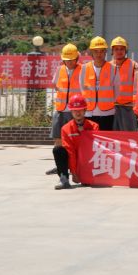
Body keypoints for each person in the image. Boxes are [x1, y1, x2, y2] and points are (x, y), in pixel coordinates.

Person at [48, 44, 84, 175]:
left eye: (72, 59)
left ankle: (74, 166)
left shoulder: (83, 70)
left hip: (74, 112)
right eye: (66, 59)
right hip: (60, 110)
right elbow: (55, 85)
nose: (69, 62)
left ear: (77, 58)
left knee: (74, 140)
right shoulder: (60, 70)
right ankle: (60, 166)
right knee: (58, 138)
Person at [52, 94, 98, 190]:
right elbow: (70, 151)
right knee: (58, 150)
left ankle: (87, 175)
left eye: (80, 110)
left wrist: (84, 133)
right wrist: (74, 172)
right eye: (75, 110)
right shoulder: (65, 129)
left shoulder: (94, 126)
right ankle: (64, 179)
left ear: (85, 110)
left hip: (88, 161)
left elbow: (93, 149)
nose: (78, 113)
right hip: (73, 160)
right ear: (71, 112)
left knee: (87, 182)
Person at [80, 36, 116, 132]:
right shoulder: (84, 68)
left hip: (108, 113)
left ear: (105, 52)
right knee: (90, 139)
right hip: (89, 113)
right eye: (96, 51)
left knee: (106, 139)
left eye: (101, 51)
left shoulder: (113, 68)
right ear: (91, 52)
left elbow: (117, 89)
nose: (99, 54)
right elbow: (82, 88)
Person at [110, 36, 138, 132]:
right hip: (112, 107)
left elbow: (137, 88)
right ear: (112, 51)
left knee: (129, 136)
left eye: (121, 49)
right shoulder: (108, 66)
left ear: (126, 50)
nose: (119, 51)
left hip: (128, 108)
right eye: (116, 49)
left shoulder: (134, 65)